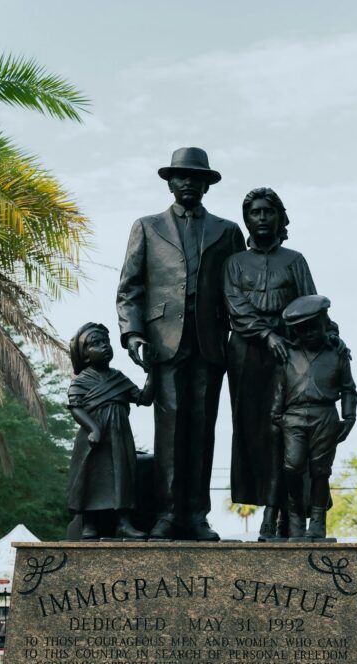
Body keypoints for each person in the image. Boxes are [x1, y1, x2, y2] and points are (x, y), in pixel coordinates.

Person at [117, 147, 245, 540]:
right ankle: (168, 513)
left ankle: (197, 515)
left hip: (210, 343)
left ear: (207, 184)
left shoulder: (227, 232)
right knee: (169, 429)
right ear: (170, 182)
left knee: (203, 430)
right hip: (164, 344)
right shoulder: (147, 226)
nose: (188, 182)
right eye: (181, 176)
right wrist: (133, 332)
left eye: (196, 176)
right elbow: (130, 288)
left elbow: (240, 288)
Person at [223, 187, 318, 540]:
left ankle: (280, 513)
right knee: (253, 433)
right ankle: (264, 503)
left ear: (279, 217)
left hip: (290, 353)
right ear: (246, 219)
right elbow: (236, 307)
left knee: (286, 432)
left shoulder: (295, 260)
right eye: (255, 213)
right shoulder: (234, 263)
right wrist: (267, 335)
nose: (261, 218)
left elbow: (310, 303)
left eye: (268, 212)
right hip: (247, 353)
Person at [271, 295, 357, 539]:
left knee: (321, 470)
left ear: (324, 323)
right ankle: (295, 516)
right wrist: (276, 415)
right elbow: (280, 386)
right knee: (292, 467)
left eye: (313, 326)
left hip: (325, 415)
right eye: (302, 328)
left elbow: (349, 389)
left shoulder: (337, 353)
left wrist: (349, 418)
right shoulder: (288, 354)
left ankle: (318, 521)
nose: (308, 332)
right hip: (294, 417)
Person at [66, 322, 152, 540]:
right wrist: (92, 428)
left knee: (123, 475)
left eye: (106, 342)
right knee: (91, 476)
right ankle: (89, 524)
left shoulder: (118, 378)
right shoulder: (81, 380)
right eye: (96, 343)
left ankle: (124, 522)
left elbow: (143, 398)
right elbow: (75, 407)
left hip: (120, 436)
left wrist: (153, 371)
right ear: (84, 355)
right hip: (94, 438)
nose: (104, 346)